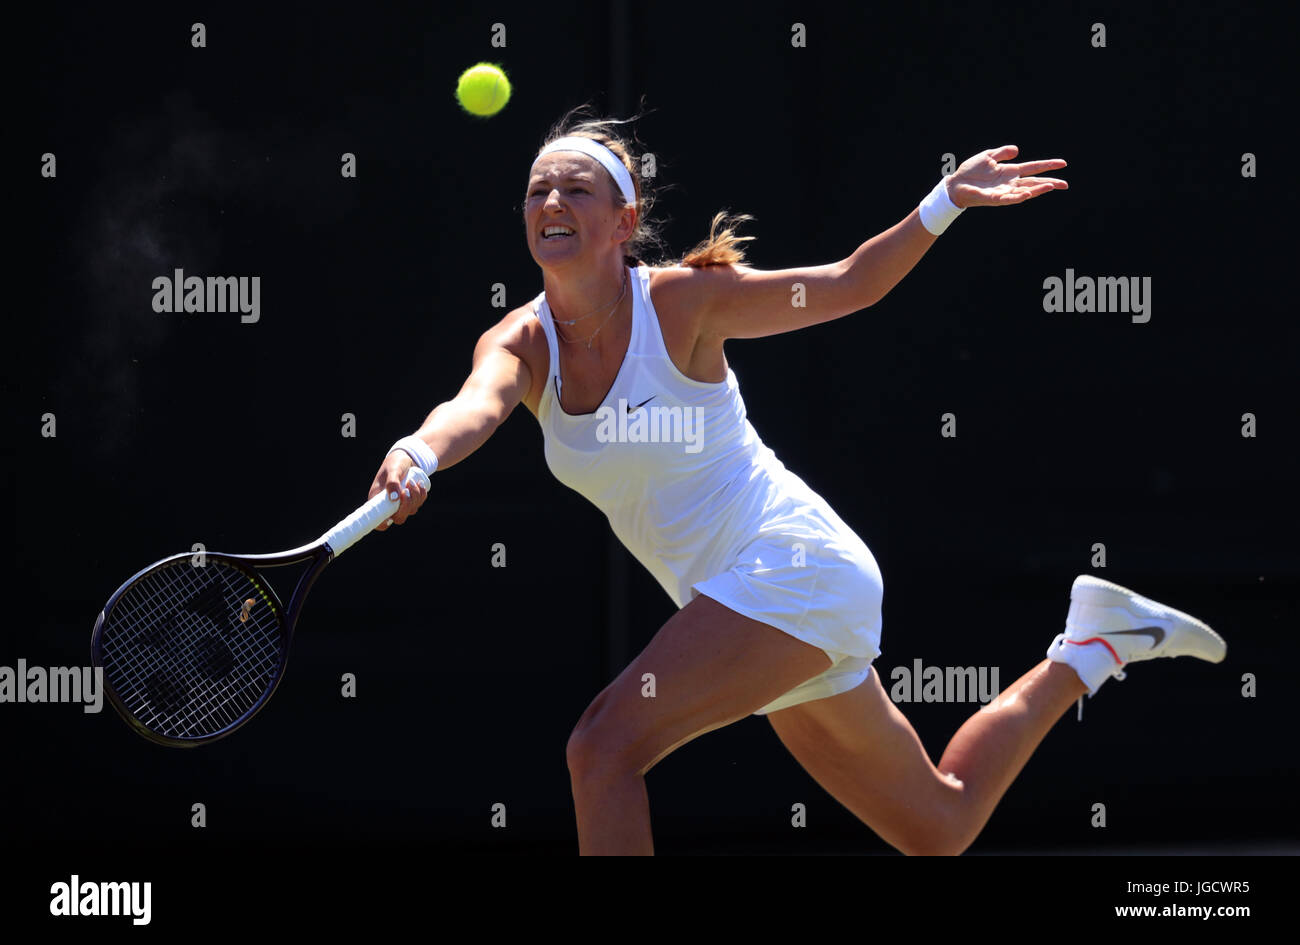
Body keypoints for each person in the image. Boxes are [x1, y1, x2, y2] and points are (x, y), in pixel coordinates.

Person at [366, 108, 1226, 855]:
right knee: (940, 825)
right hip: (746, 601)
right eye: (538, 191)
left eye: (576, 189)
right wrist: (417, 452)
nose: (552, 203)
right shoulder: (519, 343)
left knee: (601, 749)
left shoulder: (684, 303)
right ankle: (1095, 644)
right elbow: (470, 406)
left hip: (792, 564)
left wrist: (943, 202)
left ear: (624, 218)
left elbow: (848, 283)